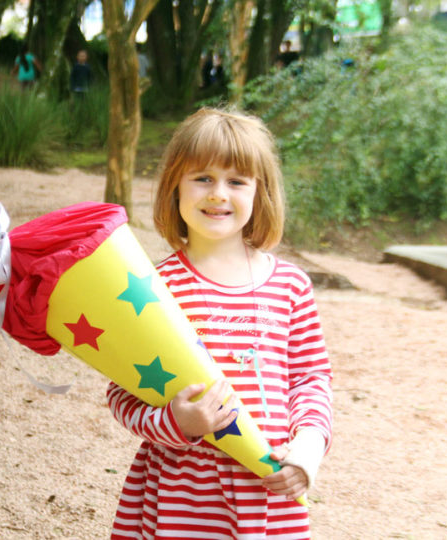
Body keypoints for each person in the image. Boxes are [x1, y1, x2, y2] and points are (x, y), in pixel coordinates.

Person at [108, 107, 333, 539]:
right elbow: (123, 392)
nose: (218, 194)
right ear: (175, 185)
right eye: (203, 178)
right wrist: (177, 422)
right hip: (181, 494)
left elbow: (311, 379)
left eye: (236, 181)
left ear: (259, 192)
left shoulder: (290, 285)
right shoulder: (150, 288)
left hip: (269, 488)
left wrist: (306, 451)